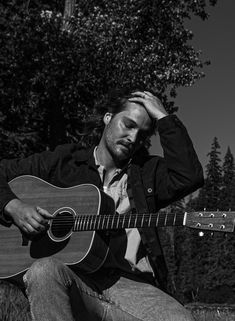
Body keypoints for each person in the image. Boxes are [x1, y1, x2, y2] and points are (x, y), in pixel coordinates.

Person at [0, 89, 204, 321]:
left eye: (143, 134)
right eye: (128, 124)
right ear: (108, 118)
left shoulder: (148, 173)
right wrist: (13, 206)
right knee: (43, 270)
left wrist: (164, 118)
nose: (133, 137)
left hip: (130, 283)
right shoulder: (64, 161)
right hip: (73, 279)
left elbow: (190, 177)